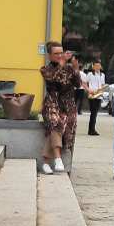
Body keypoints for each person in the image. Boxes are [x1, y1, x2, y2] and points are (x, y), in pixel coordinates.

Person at [39, 42, 79, 175]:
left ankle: (45, 162)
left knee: (67, 122)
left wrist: (75, 68)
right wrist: (62, 65)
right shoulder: (45, 70)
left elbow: (77, 84)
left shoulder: (68, 69)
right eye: (56, 53)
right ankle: (57, 158)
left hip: (67, 105)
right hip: (52, 104)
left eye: (61, 52)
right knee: (56, 122)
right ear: (49, 55)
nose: (60, 55)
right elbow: (53, 81)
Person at [83, 61, 106, 136]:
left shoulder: (102, 75)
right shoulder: (90, 74)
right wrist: (88, 90)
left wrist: (102, 91)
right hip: (92, 95)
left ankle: (92, 129)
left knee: (95, 113)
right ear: (93, 67)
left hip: (98, 95)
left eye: (99, 65)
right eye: (96, 66)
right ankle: (91, 130)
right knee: (93, 112)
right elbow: (84, 83)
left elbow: (102, 85)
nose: (97, 67)